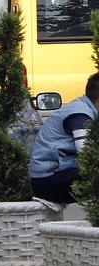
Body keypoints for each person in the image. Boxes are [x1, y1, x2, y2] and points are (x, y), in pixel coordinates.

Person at [30, 73, 99, 205]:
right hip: (47, 181)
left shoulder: (84, 109)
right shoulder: (80, 115)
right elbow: (88, 154)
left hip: (52, 176)